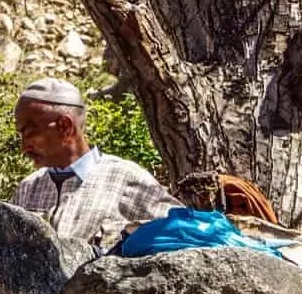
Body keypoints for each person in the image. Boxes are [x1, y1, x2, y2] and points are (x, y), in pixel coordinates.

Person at [9, 76, 181, 248]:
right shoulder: (27, 189)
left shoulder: (124, 179)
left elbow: (184, 233)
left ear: (65, 126)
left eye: (30, 132)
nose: (24, 147)